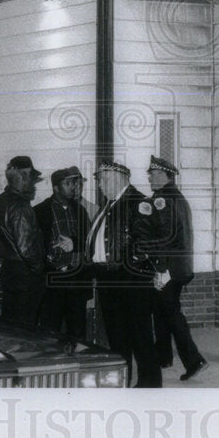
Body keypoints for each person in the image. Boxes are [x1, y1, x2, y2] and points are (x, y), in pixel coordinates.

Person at [85, 160, 161, 388]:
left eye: (104, 179)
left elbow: (146, 244)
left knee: (140, 336)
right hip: (110, 279)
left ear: (120, 178)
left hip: (130, 280)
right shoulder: (109, 204)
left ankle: (150, 386)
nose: (100, 184)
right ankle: (122, 383)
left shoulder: (138, 203)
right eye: (99, 180)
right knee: (118, 336)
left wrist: (121, 267)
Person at [137, 155, 208, 381]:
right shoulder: (175, 196)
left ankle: (194, 359)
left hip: (168, 268)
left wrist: (161, 269)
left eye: (154, 174)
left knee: (170, 312)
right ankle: (163, 357)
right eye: (150, 174)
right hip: (177, 266)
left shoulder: (163, 199)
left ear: (165, 176)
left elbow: (166, 237)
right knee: (162, 311)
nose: (150, 177)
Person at [35, 166, 92, 341]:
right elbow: (35, 247)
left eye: (75, 182)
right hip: (53, 282)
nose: (74, 186)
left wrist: (75, 244)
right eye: (68, 183)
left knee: (78, 332)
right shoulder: (40, 211)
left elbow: (90, 242)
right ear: (56, 187)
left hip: (77, 280)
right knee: (50, 332)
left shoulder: (81, 211)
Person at [0, 156, 47, 328]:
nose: (32, 183)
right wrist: (40, 269)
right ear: (22, 177)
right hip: (25, 276)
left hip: (9, 271)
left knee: (11, 324)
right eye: (31, 178)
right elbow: (26, 248)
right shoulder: (20, 206)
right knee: (26, 327)